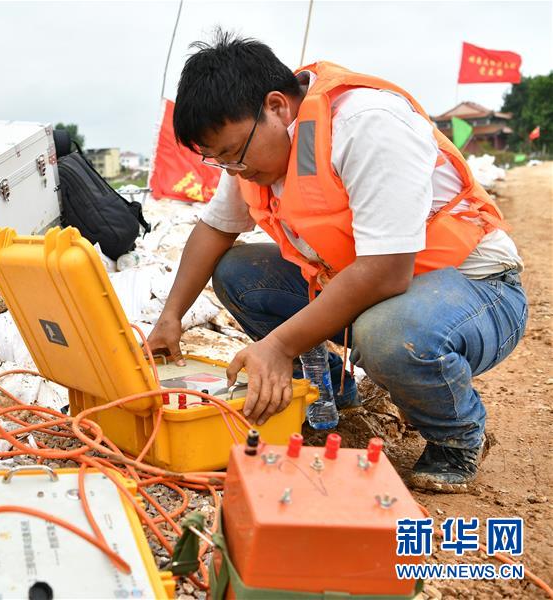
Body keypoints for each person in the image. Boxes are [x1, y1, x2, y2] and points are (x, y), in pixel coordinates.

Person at [146, 32, 527, 493]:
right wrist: (170, 318)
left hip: (476, 290)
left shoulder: (368, 124)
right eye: (220, 161)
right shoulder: (253, 152)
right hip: (376, 289)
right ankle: (326, 388)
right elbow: (214, 229)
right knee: (238, 272)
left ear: (277, 107)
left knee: (388, 333)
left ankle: (457, 434)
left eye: (233, 155)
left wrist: (280, 346)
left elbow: (386, 271)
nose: (234, 170)